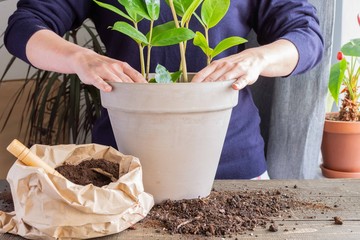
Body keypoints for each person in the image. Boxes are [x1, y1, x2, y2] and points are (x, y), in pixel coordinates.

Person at [4, 0, 323, 180]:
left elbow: (306, 35)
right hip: (121, 169)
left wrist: (258, 57)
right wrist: (80, 58)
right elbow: (24, 26)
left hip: (232, 164)